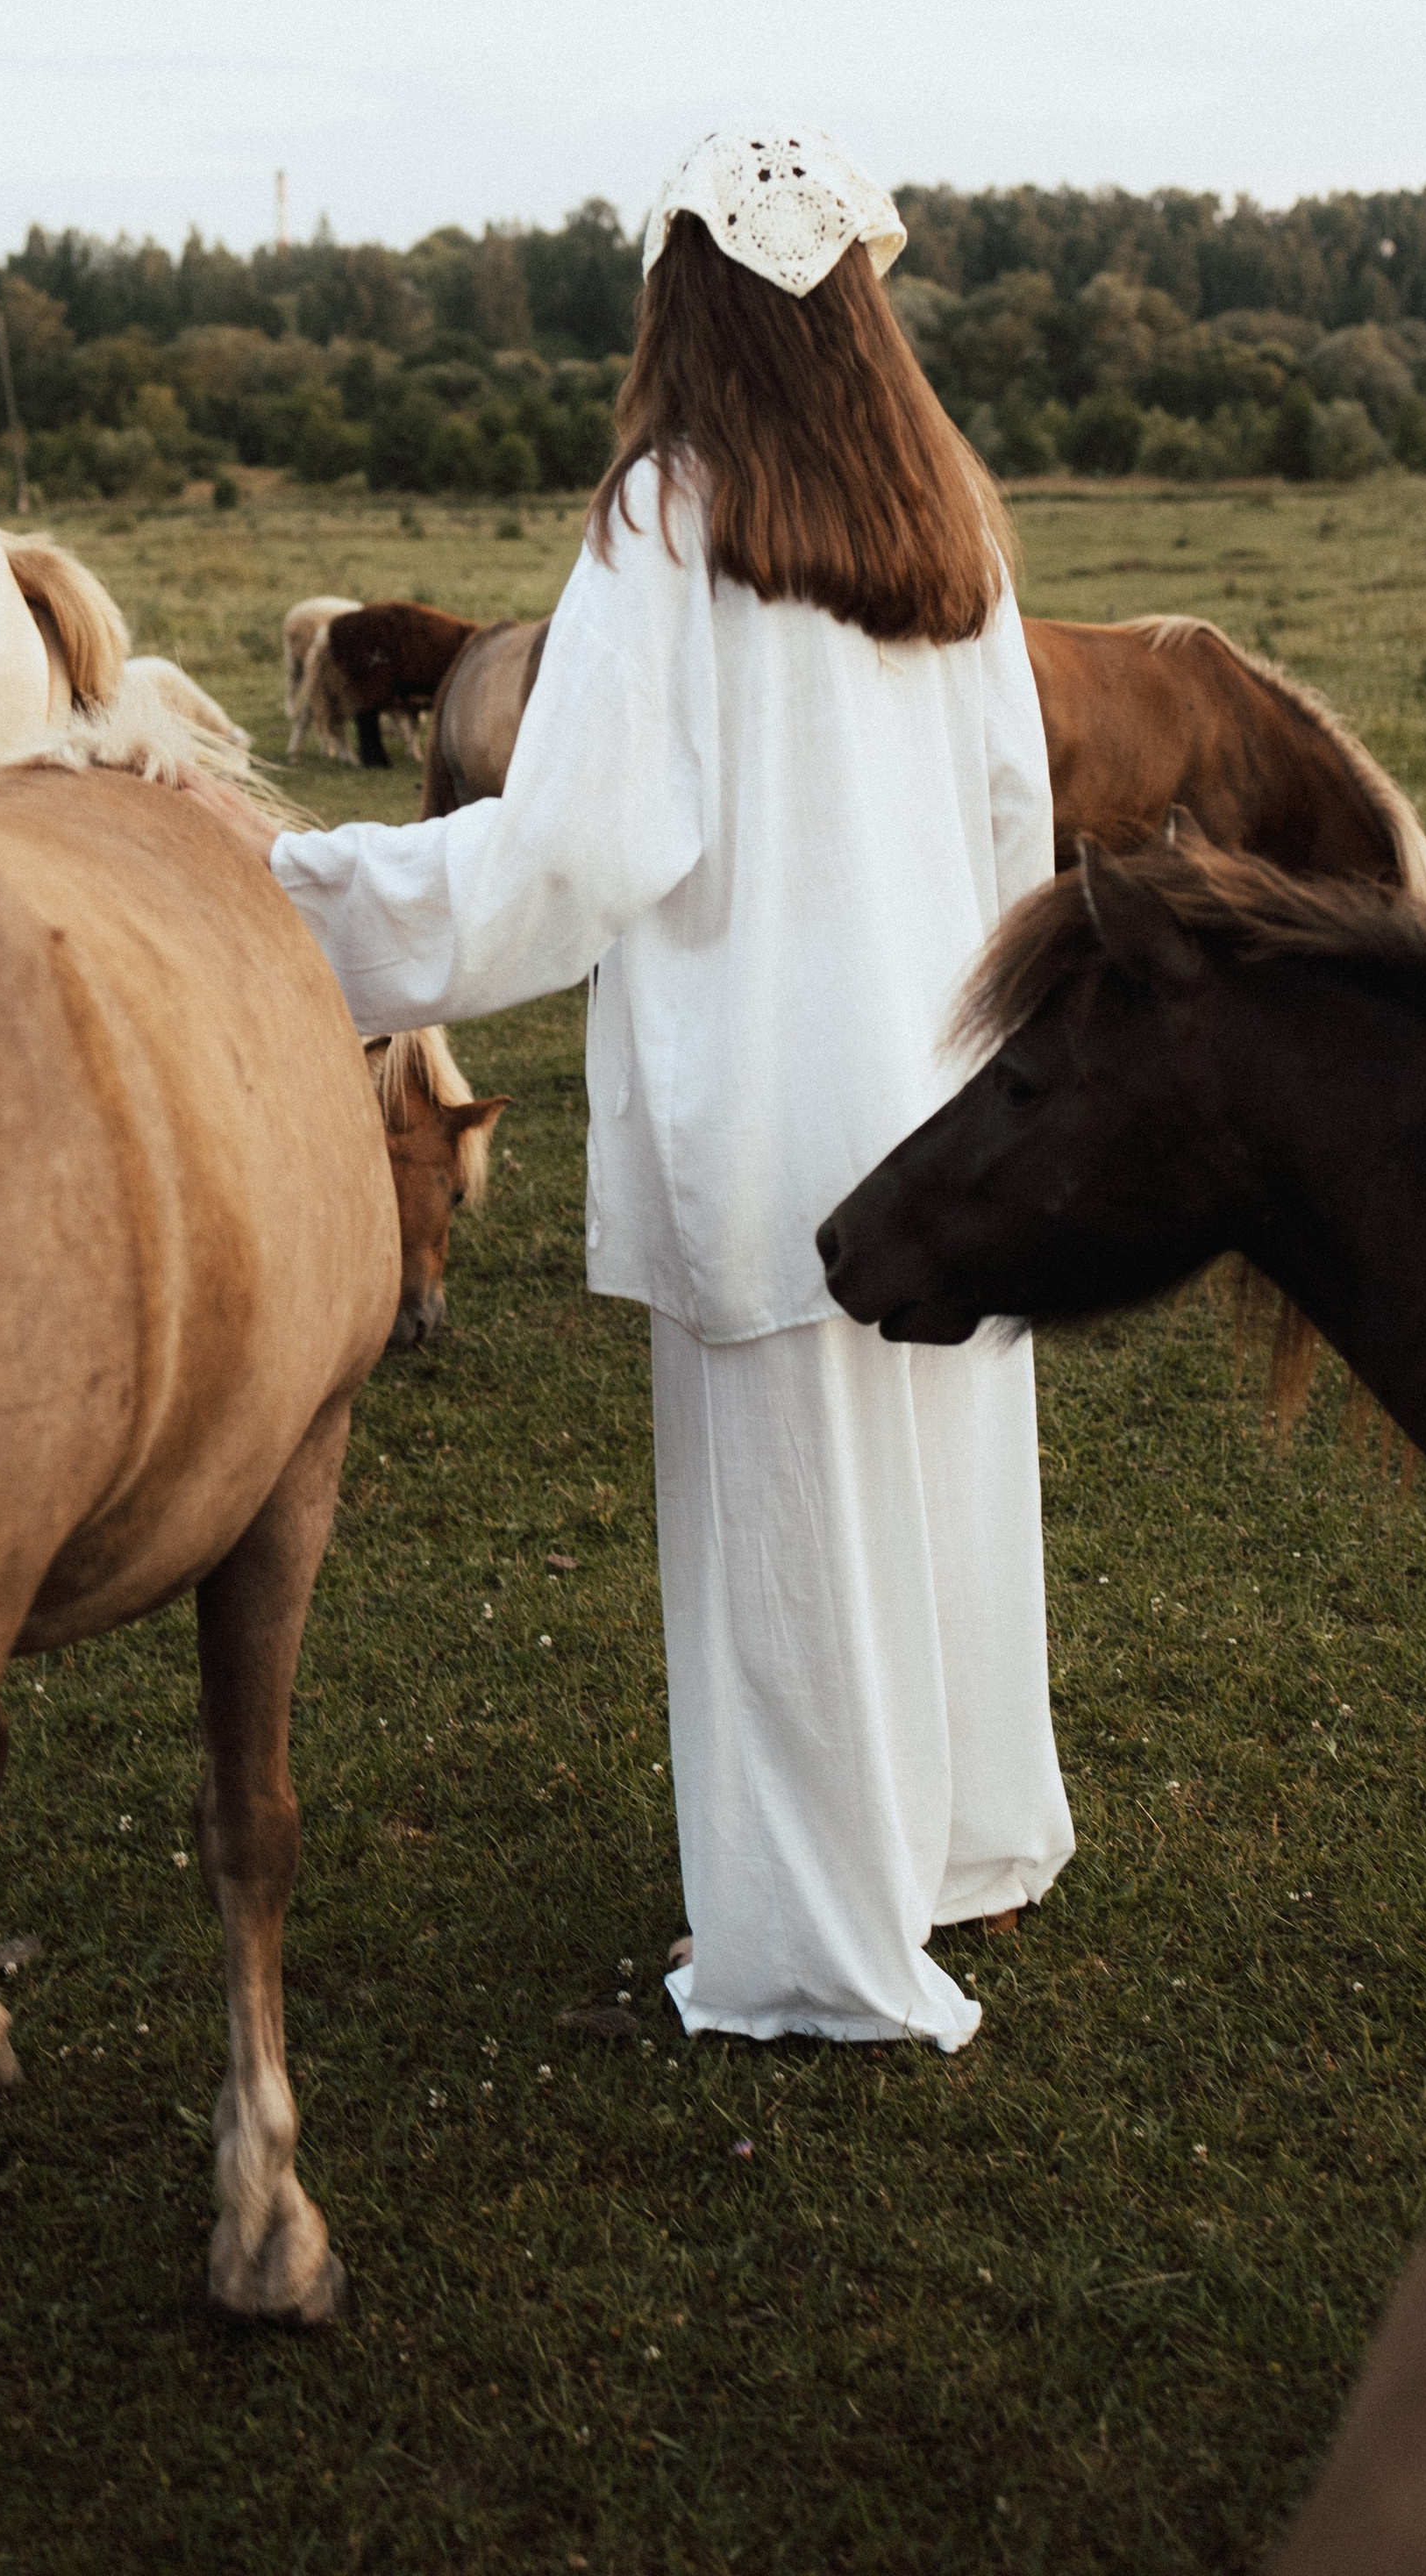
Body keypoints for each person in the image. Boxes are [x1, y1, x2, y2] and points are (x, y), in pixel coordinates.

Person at [253, 130, 1073, 2049]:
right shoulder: (946, 515)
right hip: (943, 1089)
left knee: (787, 1524)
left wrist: (306, 905)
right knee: (937, 1469)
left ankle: (814, 1953)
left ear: (676, 297)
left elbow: (576, 851)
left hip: (774, 1099)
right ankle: (959, 1844)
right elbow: (1015, 818)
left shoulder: (666, 518)